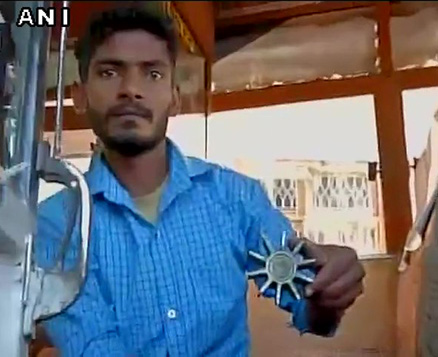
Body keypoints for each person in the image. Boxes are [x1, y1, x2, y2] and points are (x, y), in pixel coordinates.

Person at [36, 7, 365, 357]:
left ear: (175, 98)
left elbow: (311, 311)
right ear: (80, 95)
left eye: (153, 74)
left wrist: (330, 294)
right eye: (109, 72)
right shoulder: (55, 227)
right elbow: (95, 348)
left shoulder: (237, 197)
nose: (131, 89)